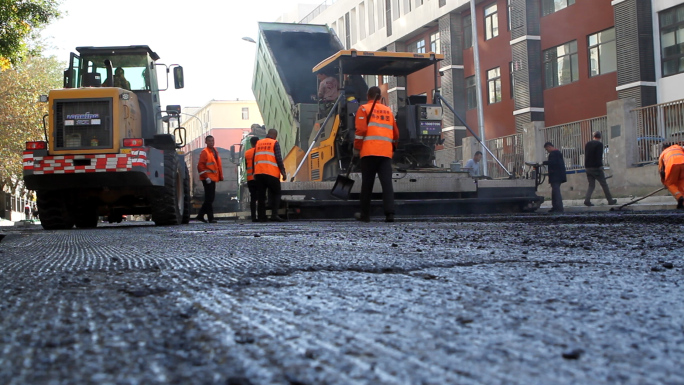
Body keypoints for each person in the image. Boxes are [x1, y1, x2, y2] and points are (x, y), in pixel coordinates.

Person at [354, 86, 400, 223]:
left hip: (368, 153)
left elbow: (361, 130)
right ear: (380, 97)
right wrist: (393, 148)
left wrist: (356, 147)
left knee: (367, 184)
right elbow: (396, 134)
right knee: (387, 184)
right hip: (385, 153)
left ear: (368, 95)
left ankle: (365, 215)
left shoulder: (363, 109)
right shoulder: (388, 111)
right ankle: (390, 214)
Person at [254, 129, 287, 222]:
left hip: (259, 173)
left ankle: (261, 216)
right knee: (276, 193)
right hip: (271, 173)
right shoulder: (274, 143)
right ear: (275, 135)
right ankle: (274, 215)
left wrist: (254, 172)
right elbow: (278, 158)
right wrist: (283, 172)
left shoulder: (258, 143)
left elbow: (254, 158)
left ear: (267, 134)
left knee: (261, 196)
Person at [584, 131, 617, 206]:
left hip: (588, 167)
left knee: (591, 185)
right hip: (596, 168)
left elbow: (586, 155)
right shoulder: (599, 144)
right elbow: (599, 156)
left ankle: (587, 200)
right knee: (604, 184)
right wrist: (600, 166)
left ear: (593, 136)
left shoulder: (588, 144)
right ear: (600, 137)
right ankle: (610, 200)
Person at [195, 135, 223, 223]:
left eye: (212, 141)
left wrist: (219, 176)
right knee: (209, 198)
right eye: (209, 141)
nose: (211, 142)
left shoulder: (214, 151)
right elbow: (200, 166)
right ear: (206, 142)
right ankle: (209, 217)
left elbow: (217, 165)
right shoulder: (205, 152)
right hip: (208, 178)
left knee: (210, 198)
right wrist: (206, 177)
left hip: (212, 178)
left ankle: (201, 215)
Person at [542, 141, 567, 213]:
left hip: (555, 176)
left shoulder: (553, 154)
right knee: (554, 192)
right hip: (559, 175)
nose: (547, 151)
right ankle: (555, 207)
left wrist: (543, 163)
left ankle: (559, 208)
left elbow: (552, 163)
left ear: (549, 147)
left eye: (547, 149)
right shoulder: (558, 153)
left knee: (556, 192)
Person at [658, 142, 684, 209]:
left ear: (663, 148)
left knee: (670, 184)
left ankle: (680, 197)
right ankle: (682, 203)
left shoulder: (663, 153)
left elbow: (661, 171)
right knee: (681, 183)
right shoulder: (678, 147)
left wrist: (665, 183)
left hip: (672, 165)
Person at [244, 136, 260, 222]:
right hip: (259, 178)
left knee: (253, 198)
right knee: (261, 197)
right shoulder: (259, 152)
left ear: (251, 143)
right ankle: (261, 216)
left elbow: (247, 166)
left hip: (250, 178)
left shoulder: (247, 153)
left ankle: (253, 216)